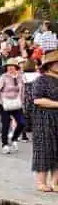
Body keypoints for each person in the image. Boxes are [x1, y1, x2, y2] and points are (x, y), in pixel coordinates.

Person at [31, 50, 58, 192]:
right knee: (44, 149)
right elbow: (37, 100)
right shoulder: (41, 80)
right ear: (49, 65)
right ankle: (41, 182)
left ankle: (55, 182)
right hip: (44, 118)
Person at [0, 58, 26, 155]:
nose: (10, 68)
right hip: (4, 103)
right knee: (6, 124)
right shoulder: (4, 77)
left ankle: (14, 138)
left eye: (12, 66)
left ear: (16, 67)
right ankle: (5, 145)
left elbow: (23, 91)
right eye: (8, 66)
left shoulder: (20, 77)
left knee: (22, 123)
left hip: (16, 103)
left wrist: (22, 102)